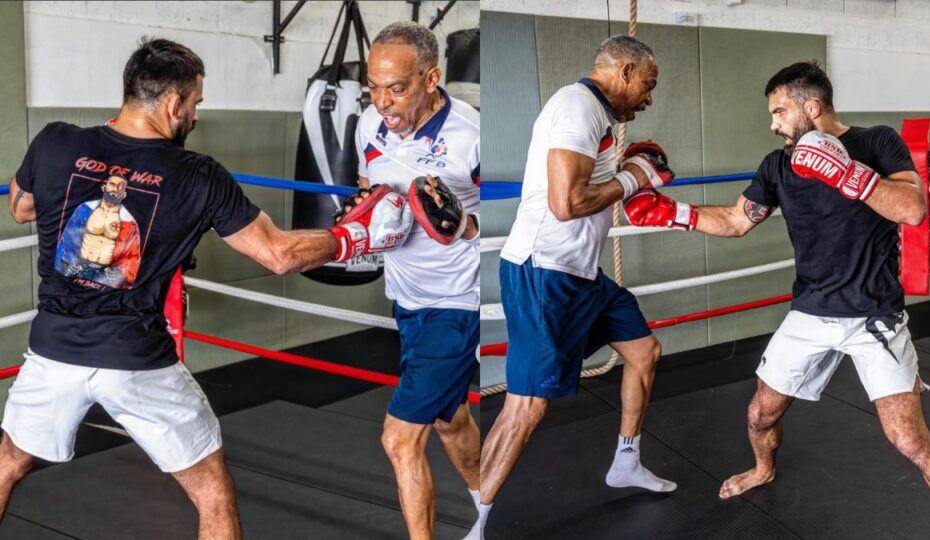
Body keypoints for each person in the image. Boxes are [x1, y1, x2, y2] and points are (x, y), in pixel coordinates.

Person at [1, 38, 410, 540]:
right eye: (195, 103)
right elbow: (278, 254)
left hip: (53, 352)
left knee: (8, 463)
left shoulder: (55, 141)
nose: (195, 114)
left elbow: (20, 207)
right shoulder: (197, 175)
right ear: (173, 104)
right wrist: (357, 237)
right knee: (211, 490)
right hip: (136, 360)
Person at [625, 60, 930, 522]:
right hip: (809, 313)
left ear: (812, 107)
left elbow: (912, 209)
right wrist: (672, 213)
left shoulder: (876, 142)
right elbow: (737, 219)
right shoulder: (778, 165)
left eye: (780, 112)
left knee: (911, 441)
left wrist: (849, 175)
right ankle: (763, 469)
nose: (773, 124)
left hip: (873, 317)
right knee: (760, 415)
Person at [471, 35, 677, 539]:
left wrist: (631, 175)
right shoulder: (576, 108)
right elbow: (567, 203)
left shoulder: (599, 116)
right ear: (625, 71)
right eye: (647, 84)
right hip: (545, 273)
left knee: (644, 352)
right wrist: (636, 178)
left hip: (582, 274)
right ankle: (475, 521)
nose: (649, 97)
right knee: (527, 405)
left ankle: (625, 461)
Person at [352, 22, 481, 540]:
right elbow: (368, 187)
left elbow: (511, 221)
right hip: (406, 298)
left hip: (457, 304)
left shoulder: (472, 137)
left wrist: (463, 223)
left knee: (399, 441)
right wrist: (364, 215)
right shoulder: (368, 124)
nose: (383, 102)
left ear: (432, 78)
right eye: (373, 87)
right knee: (451, 422)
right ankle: (488, 504)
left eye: (397, 88)